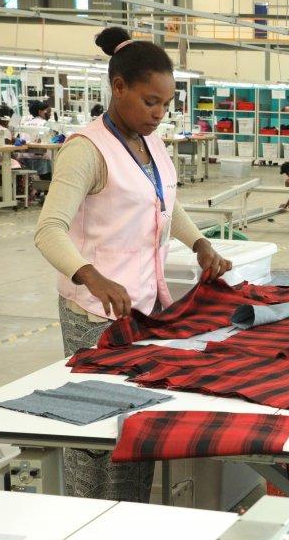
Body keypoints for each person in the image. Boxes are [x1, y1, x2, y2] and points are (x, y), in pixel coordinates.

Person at [35, 26, 231, 502]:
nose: (159, 114)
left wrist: (199, 243)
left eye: (165, 104)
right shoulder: (86, 149)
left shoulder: (152, 143)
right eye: (149, 102)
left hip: (145, 307)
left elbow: (164, 203)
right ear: (117, 87)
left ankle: (129, 515)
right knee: (93, 431)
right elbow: (48, 230)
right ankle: (84, 520)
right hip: (93, 314)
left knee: (136, 425)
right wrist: (92, 276)